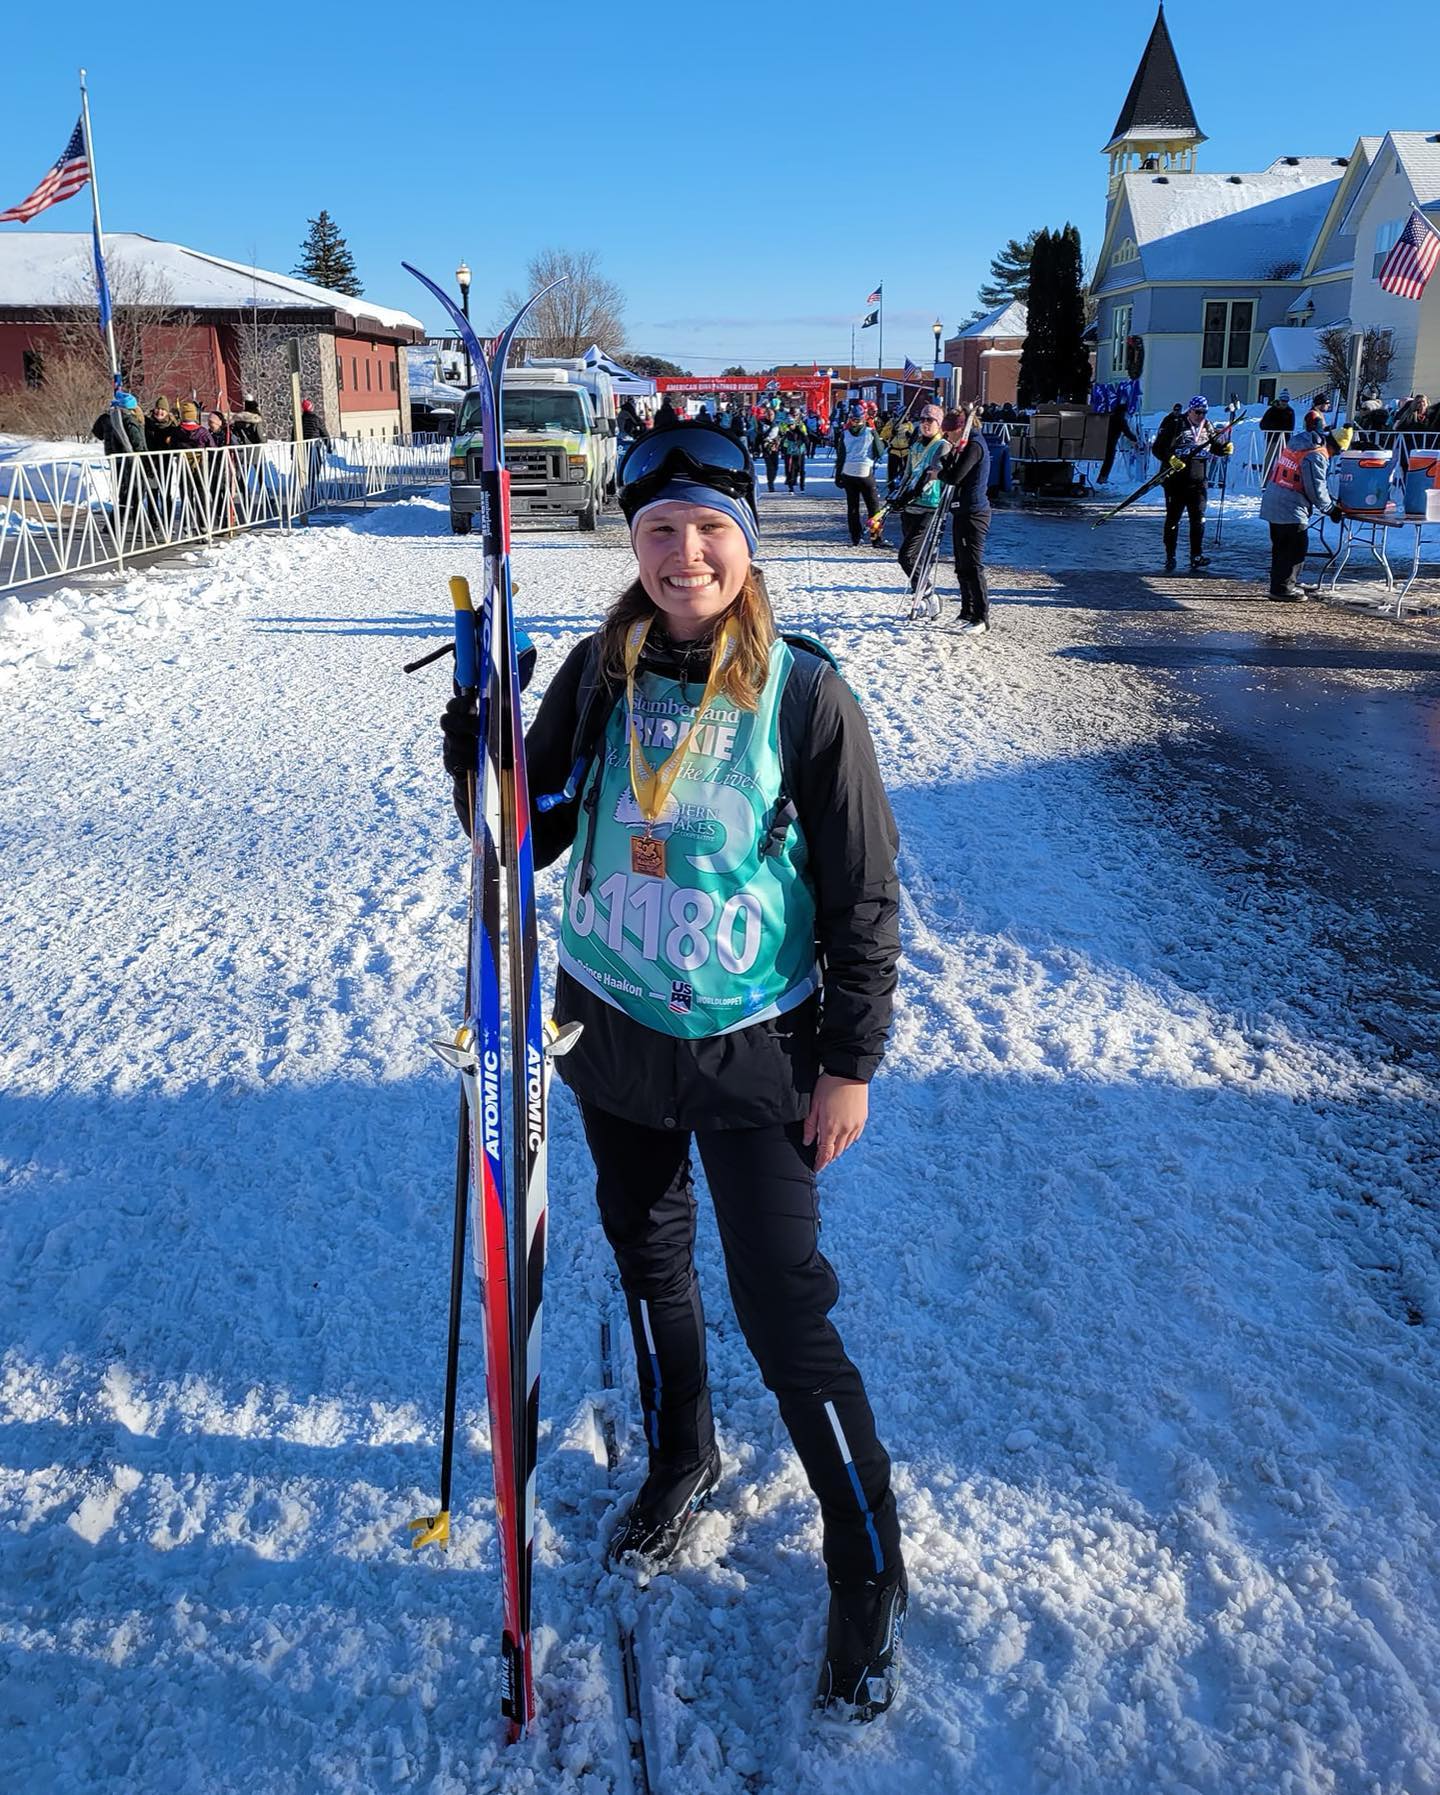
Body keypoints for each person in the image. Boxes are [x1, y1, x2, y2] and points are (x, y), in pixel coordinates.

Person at [440, 419, 907, 1720]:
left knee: (784, 1306)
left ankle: (868, 1561)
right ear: (632, 542)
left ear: (744, 545)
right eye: (660, 530)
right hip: (614, 1036)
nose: (685, 553)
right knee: (648, 1257)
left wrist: (847, 1065)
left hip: (759, 1046)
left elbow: (865, 898)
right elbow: (524, 837)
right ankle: (683, 1450)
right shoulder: (598, 671)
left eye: (710, 530)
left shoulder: (806, 691)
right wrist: (479, 744)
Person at [1259, 422, 1349, 600]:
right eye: (1336, 453)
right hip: (1291, 506)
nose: (1333, 457)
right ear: (1334, 447)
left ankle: (1278, 585)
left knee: (1280, 547)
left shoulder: (1300, 442)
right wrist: (1331, 509)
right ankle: (1283, 589)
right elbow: (1315, 488)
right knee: (1295, 549)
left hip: (1274, 498)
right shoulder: (1316, 455)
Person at [1150, 396, 1233, 573]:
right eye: (1198, 412)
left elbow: (1215, 446)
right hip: (1176, 481)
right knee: (1173, 519)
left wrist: (1224, 449)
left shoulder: (1208, 426)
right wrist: (1170, 459)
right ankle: (1170, 555)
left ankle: (1196, 555)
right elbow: (1157, 448)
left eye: (1204, 412)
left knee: (1198, 519)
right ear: (1190, 410)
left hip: (1198, 482)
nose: (1201, 415)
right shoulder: (1176, 424)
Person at [938, 406, 992, 633]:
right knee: (961, 565)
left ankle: (981, 616)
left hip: (974, 512)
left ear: (959, 429)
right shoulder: (964, 444)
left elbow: (955, 476)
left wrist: (939, 472)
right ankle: (966, 611)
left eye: (949, 433)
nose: (947, 437)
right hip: (961, 510)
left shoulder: (974, 445)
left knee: (972, 564)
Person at [888, 401, 949, 577]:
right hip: (910, 507)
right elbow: (907, 474)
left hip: (929, 505)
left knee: (906, 557)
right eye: (922, 419)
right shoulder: (915, 445)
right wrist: (898, 495)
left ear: (939, 423)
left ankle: (925, 589)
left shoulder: (942, 445)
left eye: (930, 420)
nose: (925, 423)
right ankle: (921, 596)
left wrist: (913, 492)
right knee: (914, 557)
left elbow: (932, 474)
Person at [835, 407, 883, 545]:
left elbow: (841, 456)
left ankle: (855, 537)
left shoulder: (845, 434)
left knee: (853, 507)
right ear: (864, 418)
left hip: (848, 472)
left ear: (851, 419)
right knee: (873, 507)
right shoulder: (870, 432)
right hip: (865, 471)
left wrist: (838, 475)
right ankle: (876, 538)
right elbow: (879, 452)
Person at [91, 391, 145, 456]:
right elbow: (136, 441)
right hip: (127, 453)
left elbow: (97, 433)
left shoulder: (104, 417)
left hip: (110, 453)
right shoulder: (129, 420)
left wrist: (107, 437)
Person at [781, 409, 808, 492]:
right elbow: (783, 437)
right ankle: (791, 485)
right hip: (790, 452)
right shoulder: (785, 423)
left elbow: (806, 437)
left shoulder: (801, 425)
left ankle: (801, 485)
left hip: (800, 451)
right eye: (793, 414)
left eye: (796, 415)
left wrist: (804, 445)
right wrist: (783, 450)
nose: (795, 416)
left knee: (800, 469)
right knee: (790, 469)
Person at [885, 410, 914, 487]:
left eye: (908, 415)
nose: (907, 417)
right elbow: (883, 435)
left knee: (906, 472)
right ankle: (891, 486)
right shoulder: (892, 423)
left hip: (906, 451)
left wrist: (910, 435)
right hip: (894, 451)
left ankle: (905, 486)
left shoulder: (909, 424)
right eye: (905, 415)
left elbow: (914, 438)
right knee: (892, 472)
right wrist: (891, 432)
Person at [759, 406, 783, 492]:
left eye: (772, 414)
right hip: (766, 448)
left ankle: (772, 480)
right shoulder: (762, 424)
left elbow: (781, 435)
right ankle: (770, 483)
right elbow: (759, 436)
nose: (770, 416)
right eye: (768, 414)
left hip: (775, 447)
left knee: (775, 466)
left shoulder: (777, 424)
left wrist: (779, 440)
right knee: (770, 467)